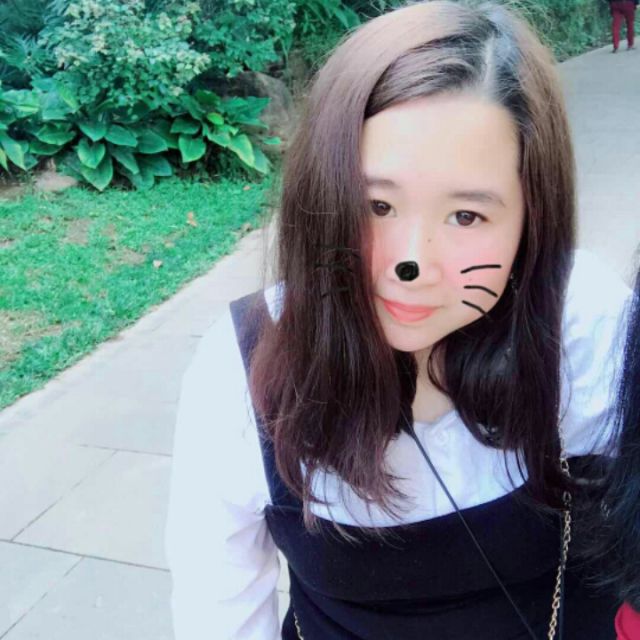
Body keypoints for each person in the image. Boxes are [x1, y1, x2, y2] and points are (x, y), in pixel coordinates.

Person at [165, 1, 633, 638]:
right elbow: (219, 608)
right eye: (376, 206)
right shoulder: (247, 367)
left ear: (531, 217)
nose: (411, 264)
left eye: (466, 216)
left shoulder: (581, 323)